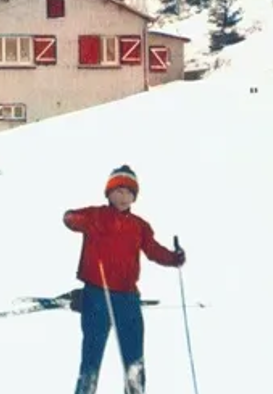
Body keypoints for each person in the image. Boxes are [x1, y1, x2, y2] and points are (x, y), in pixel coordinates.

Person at [63, 165, 186, 394]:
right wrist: (80, 219)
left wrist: (174, 258)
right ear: (108, 193)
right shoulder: (96, 215)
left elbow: (153, 250)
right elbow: (69, 219)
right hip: (96, 297)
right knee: (91, 360)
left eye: (129, 192)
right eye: (118, 191)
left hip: (127, 298)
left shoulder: (139, 226)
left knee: (134, 362)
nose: (123, 197)